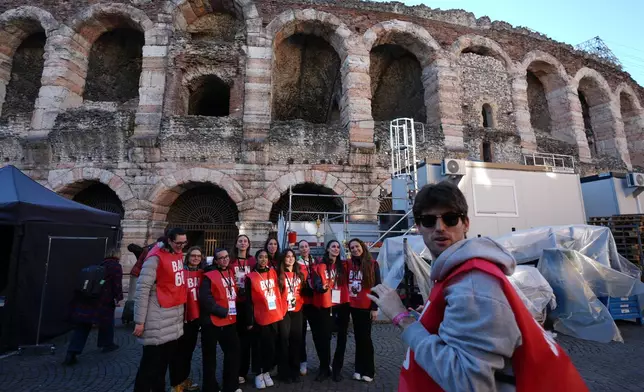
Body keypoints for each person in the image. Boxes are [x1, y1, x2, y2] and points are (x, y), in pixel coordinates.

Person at [368, 181, 588, 392]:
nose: (440, 228)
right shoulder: (455, 273)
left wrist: (401, 318)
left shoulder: (472, 281)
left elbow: (469, 382)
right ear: (418, 227)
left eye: (450, 218)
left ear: (466, 223)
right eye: (428, 221)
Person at [133, 228, 188, 392]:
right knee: (149, 368)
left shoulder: (176, 254)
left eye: (184, 243)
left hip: (172, 318)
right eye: (178, 243)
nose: (181, 246)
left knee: (162, 366)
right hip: (156, 318)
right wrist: (139, 321)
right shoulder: (154, 258)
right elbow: (142, 289)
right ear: (169, 240)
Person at [63, 247, 123, 365]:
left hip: (89, 298)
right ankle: (107, 343)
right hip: (104, 300)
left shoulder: (101, 264)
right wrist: (118, 297)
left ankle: (72, 352)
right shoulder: (116, 266)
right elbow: (117, 284)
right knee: (107, 322)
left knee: (83, 326)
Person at [199, 248, 242, 392]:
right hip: (212, 322)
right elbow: (206, 299)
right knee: (210, 358)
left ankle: (231, 385)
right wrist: (222, 311)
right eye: (221, 258)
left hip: (230, 321)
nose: (225, 259)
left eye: (226, 257)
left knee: (233, 354)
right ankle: (210, 387)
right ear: (216, 261)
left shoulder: (230, 272)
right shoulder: (208, 275)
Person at [312, 239, 349, 382]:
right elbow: (316, 281)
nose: (336, 249)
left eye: (338, 247)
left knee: (342, 338)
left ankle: (337, 368)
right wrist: (320, 287)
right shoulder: (320, 265)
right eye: (333, 246)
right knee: (324, 338)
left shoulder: (344, 265)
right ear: (327, 249)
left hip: (342, 304)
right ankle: (324, 368)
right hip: (326, 304)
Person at [245, 249, 283, 389]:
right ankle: (258, 373)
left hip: (273, 315)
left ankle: (266, 371)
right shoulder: (251, 277)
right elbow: (248, 301)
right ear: (256, 259)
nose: (263, 259)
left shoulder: (272, 273)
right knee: (258, 347)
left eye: (266, 257)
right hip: (259, 317)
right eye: (260, 257)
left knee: (271, 347)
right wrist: (249, 320)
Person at [169, 247, 204, 392]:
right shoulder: (180, 273)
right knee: (177, 352)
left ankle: (183, 379)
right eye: (193, 256)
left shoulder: (203, 273)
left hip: (195, 319)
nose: (196, 258)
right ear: (188, 257)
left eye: (198, 256)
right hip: (180, 317)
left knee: (188, 352)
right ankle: (175, 383)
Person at [346, 238, 380, 383]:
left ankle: (369, 370)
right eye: (352, 248)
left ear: (362, 247)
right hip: (353, 306)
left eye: (357, 246)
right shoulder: (349, 264)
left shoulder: (373, 264)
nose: (354, 249)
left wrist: (374, 307)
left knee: (365, 339)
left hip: (366, 306)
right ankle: (358, 369)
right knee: (358, 338)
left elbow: (377, 285)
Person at [277, 248, 307, 383]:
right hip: (283, 312)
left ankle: (295, 370)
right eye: (287, 256)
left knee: (296, 341)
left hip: (297, 310)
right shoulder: (279, 275)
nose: (290, 258)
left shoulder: (299, 274)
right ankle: (284, 372)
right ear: (283, 259)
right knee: (283, 341)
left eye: (292, 256)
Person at [229, 234, 256, 385]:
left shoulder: (252, 261)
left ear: (249, 244)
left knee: (246, 340)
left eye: (245, 241)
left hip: (248, 304)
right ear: (236, 244)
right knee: (235, 339)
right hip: (234, 303)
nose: (243, 243)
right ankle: (234, 370)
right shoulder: (231, 261)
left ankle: (243, 371)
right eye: (240, 241)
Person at [296, 240, 316, 376]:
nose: (304, 249)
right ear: (298, 249)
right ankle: (302, 361)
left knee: (319, 334)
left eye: (306, 246)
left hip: (315, 302)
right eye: (301, 247)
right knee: (300, 334)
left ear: (309, 248)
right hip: (301, 302)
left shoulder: (316, 262)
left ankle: (325, 362)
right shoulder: (296, 263)